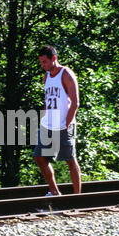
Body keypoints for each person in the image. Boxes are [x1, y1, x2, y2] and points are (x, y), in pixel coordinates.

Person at [33, 45, 82, 196]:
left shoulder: (66, 74)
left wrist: (66, 124)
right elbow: (48, 99)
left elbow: (75, 102)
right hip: (48, 125)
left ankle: (77, 197)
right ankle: (54, 192)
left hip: (64, 125)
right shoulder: (47, 76)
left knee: (70, 160)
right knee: (39, 157)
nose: (43, 65)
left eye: (45, 62)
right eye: (41, 62)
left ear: (54, 58)